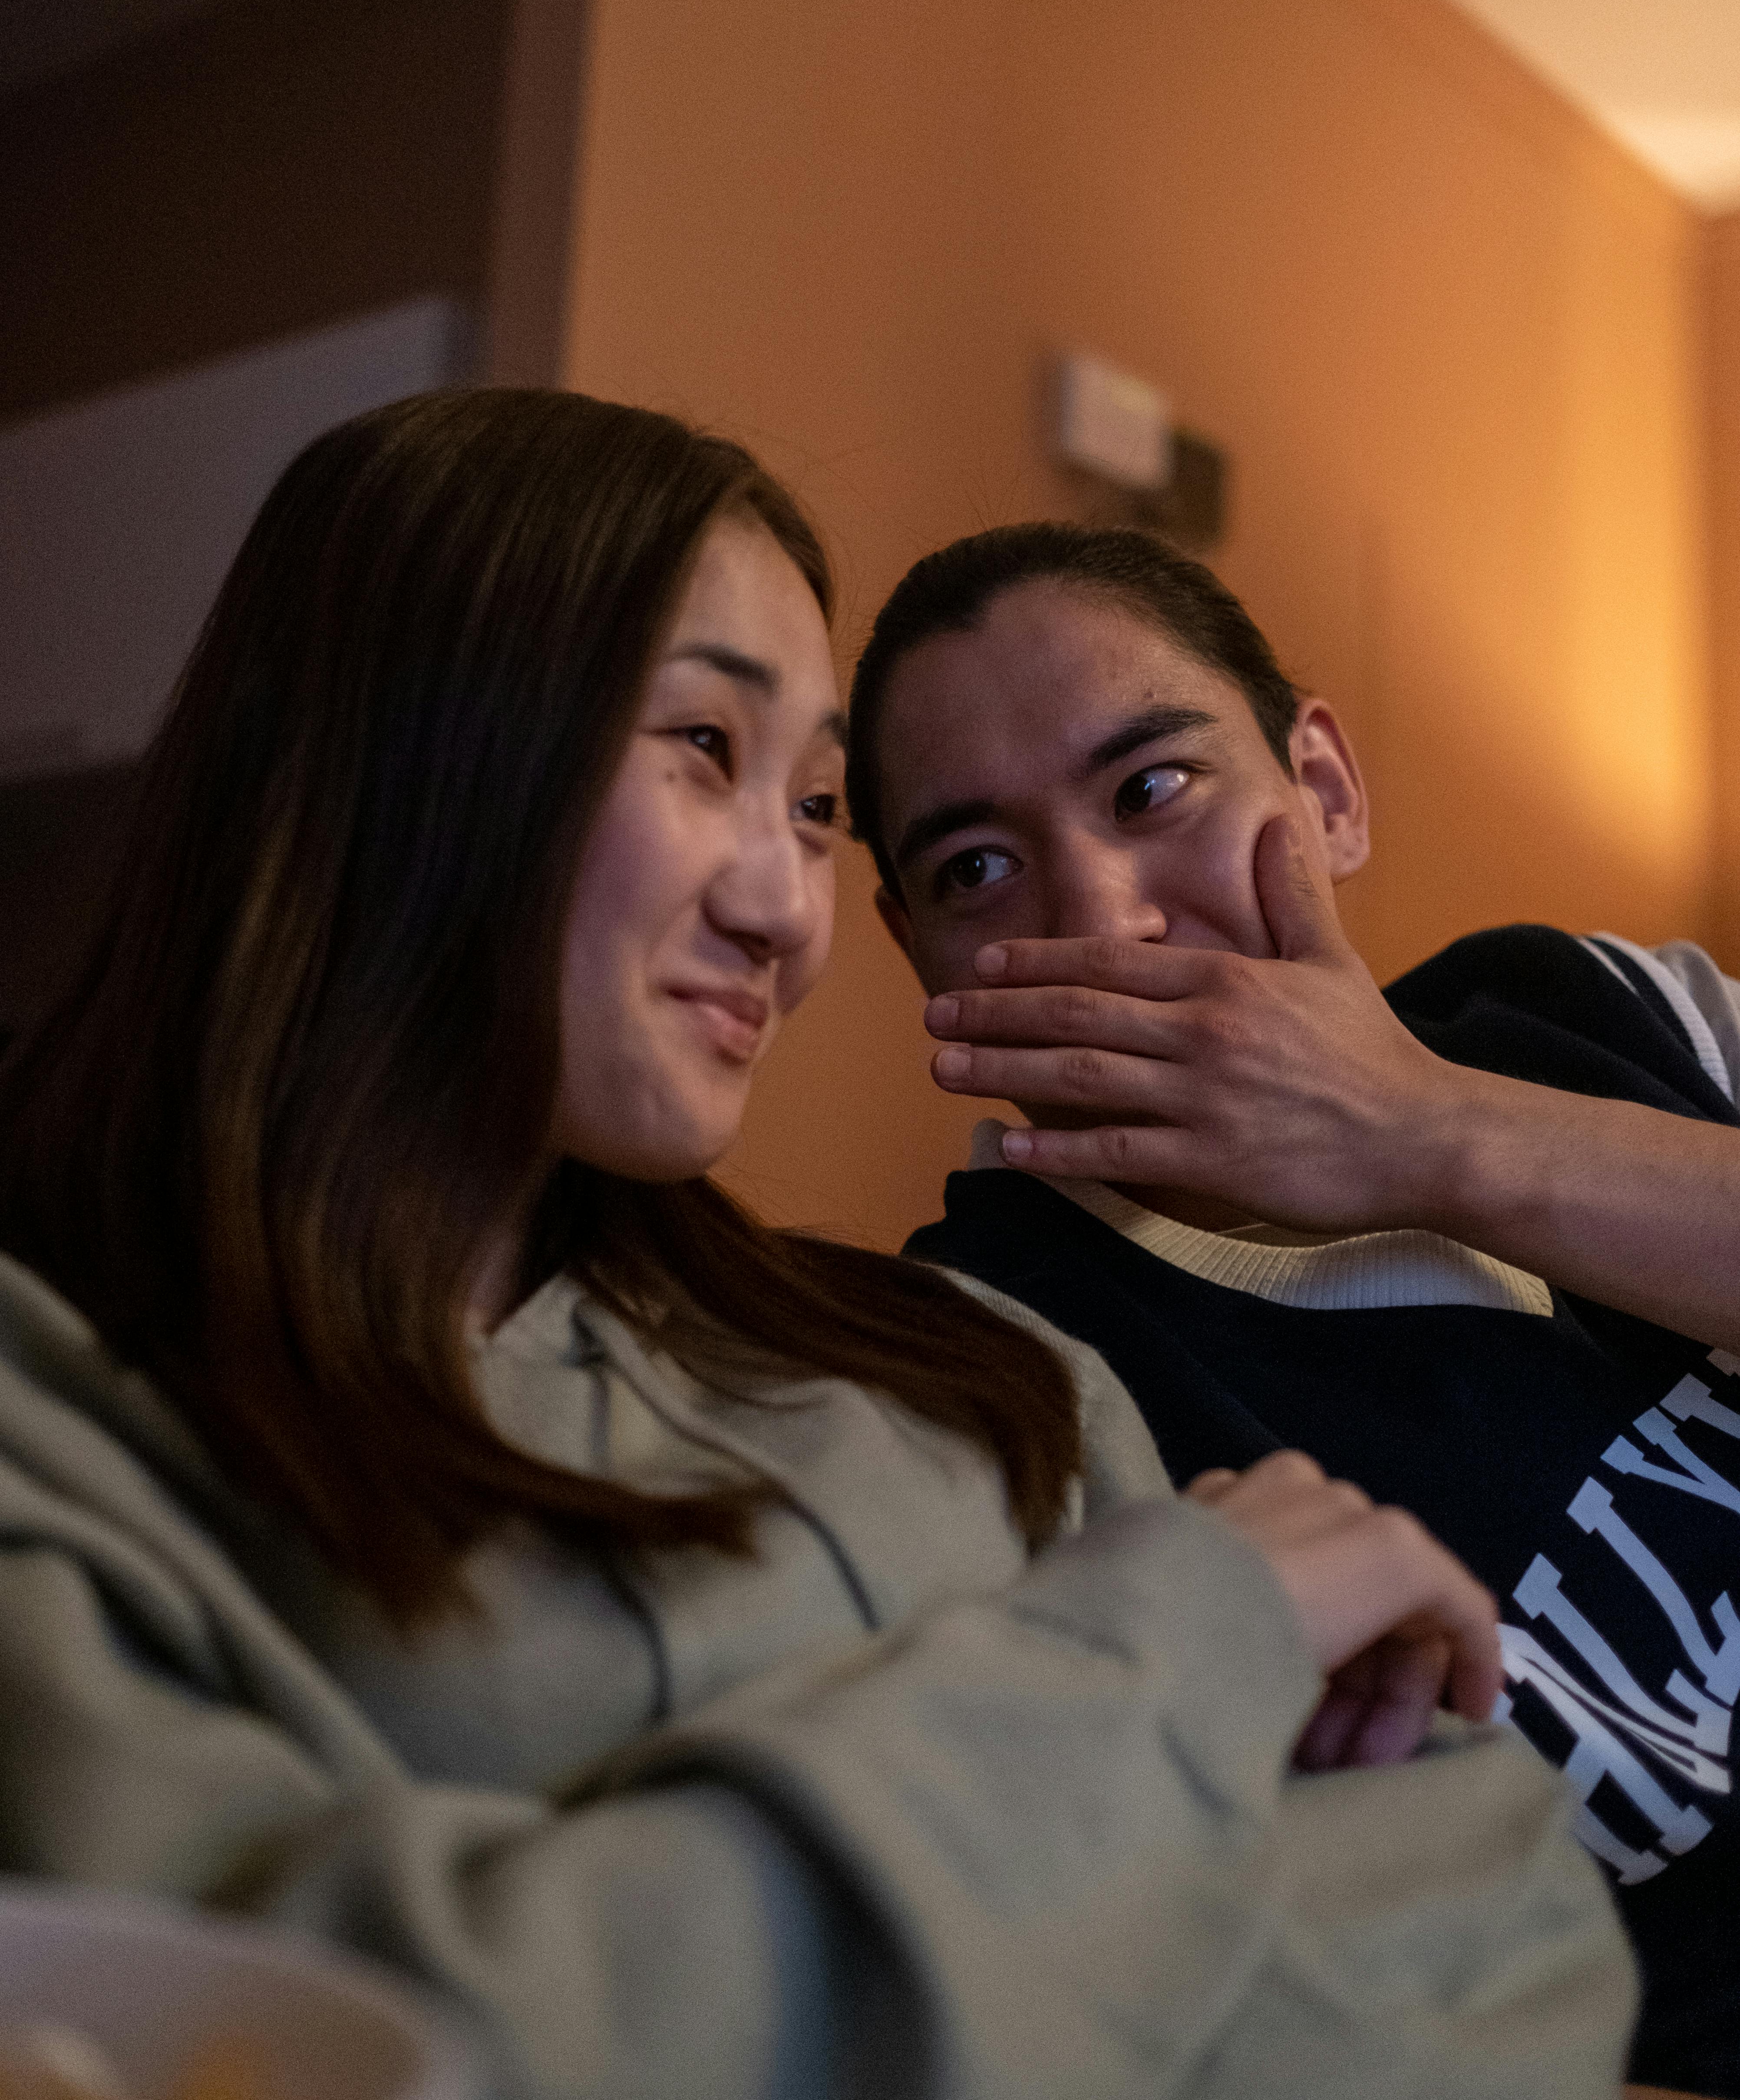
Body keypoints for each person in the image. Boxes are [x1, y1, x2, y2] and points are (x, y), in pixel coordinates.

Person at [0, 393, 1629, 2100]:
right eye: (708, 749)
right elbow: (324, 2046)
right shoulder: (70, 1438)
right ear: (401, 735)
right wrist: (1171, 1653)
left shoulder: (975, 1375)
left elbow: (1484, 1919)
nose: (784, 915)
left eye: (819, 811)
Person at [846, 518, 1740, 2100]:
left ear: (1322, 788)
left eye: (1152, 787)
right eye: (978, 868)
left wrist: (1433, 1132)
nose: (1102, 917)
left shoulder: (1586, 1004)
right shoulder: (978, 1376)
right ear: (920, 957)